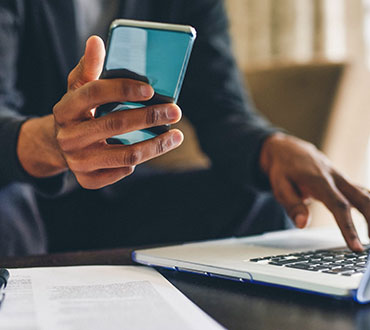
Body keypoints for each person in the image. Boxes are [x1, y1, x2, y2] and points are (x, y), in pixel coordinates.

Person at [0, 0, 369, 256]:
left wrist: (272, 147)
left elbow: (221, 107)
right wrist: (51, 144)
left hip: (118, 196)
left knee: (261, 203)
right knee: (9, 208)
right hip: (21, 186)